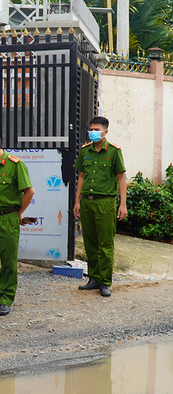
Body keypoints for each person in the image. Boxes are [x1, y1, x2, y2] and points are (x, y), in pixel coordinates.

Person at [0, 132, 35, 316]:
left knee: (8, 262)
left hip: (7, 218)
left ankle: (5, 298)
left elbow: (29, 191)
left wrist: (19, 213)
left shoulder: (15, 165)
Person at [73, 116, 127, 297]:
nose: (93, 132)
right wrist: (77, 201)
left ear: (105, 131)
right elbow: (81, 176)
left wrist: (123, 204)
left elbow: (121, 177)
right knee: (90, 241)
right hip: (87, 201)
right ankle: (94, 278)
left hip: (105, 201)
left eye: (96, 130)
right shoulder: (85, 151)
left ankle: (105, 281)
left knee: (105, 243)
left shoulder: (113, 151)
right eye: (91, 129)